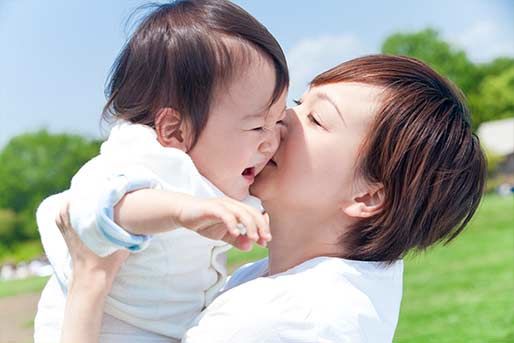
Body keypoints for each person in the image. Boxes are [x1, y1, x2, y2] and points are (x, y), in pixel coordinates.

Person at [53, 55, 487, 342]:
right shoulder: (342, 281)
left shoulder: (281, 320)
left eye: (317, 119)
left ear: (369, 195)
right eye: (299, 101)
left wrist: (90, 281)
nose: (280, 117)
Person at [33, 1, 289, 342]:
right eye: (258, 127)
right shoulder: (146, 157)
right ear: (175, 131)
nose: (270, 142)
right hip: (103, 326)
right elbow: (97, 209)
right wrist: (184, 210)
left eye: (278, 122)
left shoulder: (219, 178)